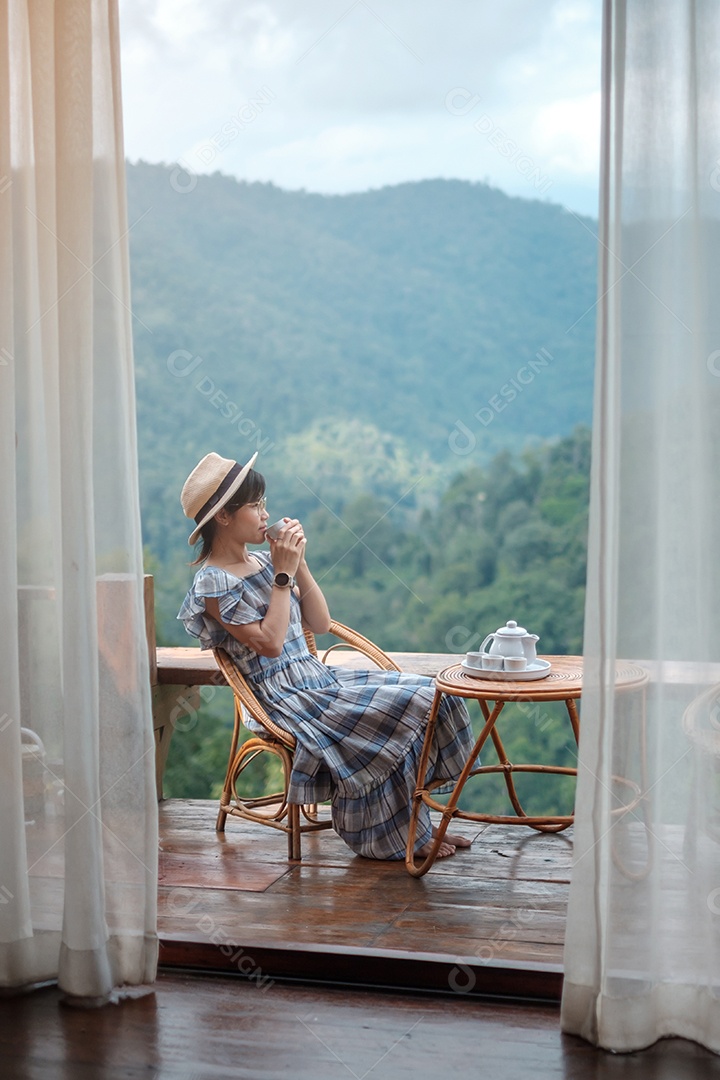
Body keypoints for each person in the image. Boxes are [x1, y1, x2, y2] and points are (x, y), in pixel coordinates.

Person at [177, 450, 475, 861]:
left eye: (265, 503)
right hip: (283, 699)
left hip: (319, 680)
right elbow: (269, 643)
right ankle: (390, 838)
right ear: (224, 517)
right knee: (412, 704)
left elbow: (319, 621)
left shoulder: (265, 563)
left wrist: (298, 565)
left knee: (435, 692)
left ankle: (414, 826)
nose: (265, 514)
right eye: (255, 506)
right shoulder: (213, 583)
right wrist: (282, 575)